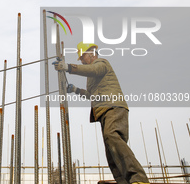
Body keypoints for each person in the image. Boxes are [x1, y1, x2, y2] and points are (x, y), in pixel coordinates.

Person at [53, 42, 149, 184]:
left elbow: (94, 70)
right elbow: (92, 95)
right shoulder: (91, 76)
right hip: (103, 112)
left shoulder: (102, 63)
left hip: (113, 107)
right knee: (111, 152)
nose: (83, 61)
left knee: (111, 136)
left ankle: (138, 178)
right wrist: (76, 90)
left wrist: (68, 67)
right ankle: (123, 181)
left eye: (83, 57)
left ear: (91, 53)